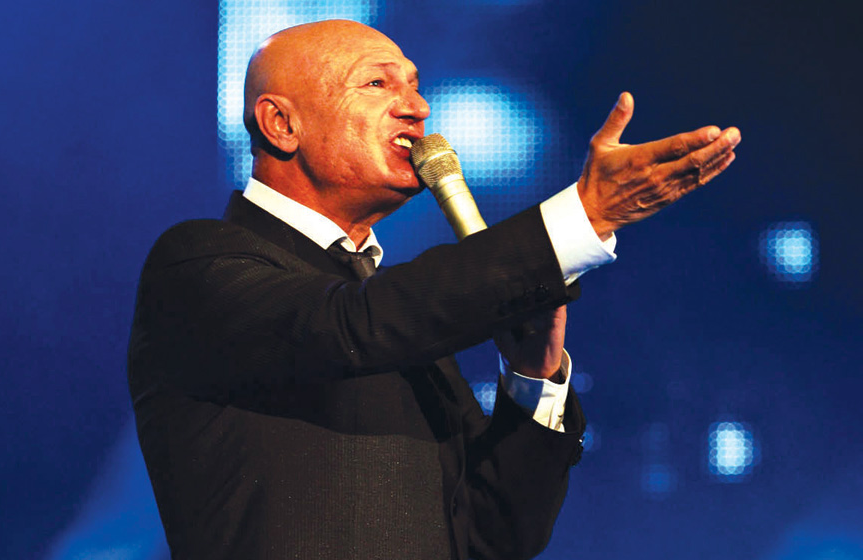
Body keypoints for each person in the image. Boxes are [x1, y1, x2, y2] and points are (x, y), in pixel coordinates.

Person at [127, 19, 740, 560]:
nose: (418, 108)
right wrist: (580, 218)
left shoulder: (400, 323)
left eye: (416, 86)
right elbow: (351, 327)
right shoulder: (197, 265)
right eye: (378, 83)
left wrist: (531, 380)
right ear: (282, 124)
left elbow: (497, 536)